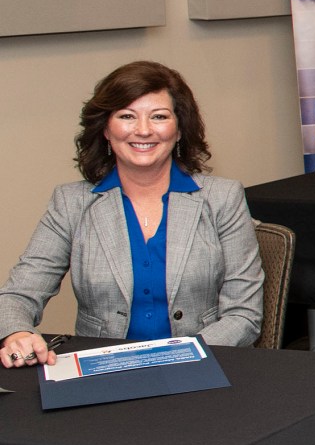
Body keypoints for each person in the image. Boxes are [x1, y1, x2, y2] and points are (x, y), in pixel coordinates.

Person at [1, 61, 262, 368]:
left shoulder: (222, 198)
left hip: (202, 368)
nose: (143, 130)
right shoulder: (70, 203)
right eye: (127, 116)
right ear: (106, 130)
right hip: (104, 375)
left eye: (159, 117)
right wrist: (18, 332)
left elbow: (244, 314)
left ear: (179, 130)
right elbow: (17, 295)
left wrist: (177, 358)